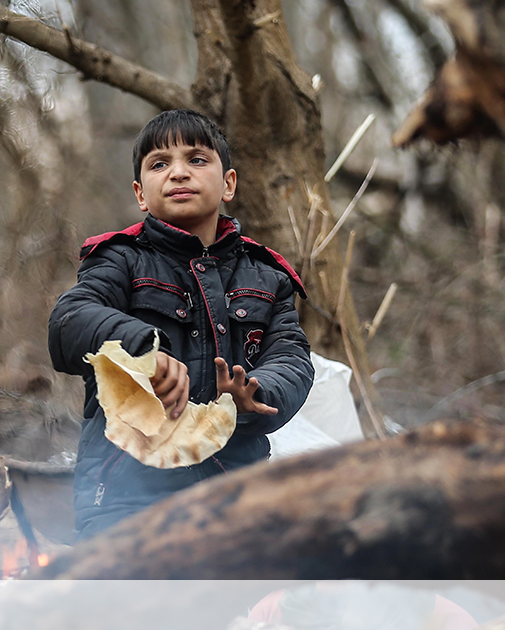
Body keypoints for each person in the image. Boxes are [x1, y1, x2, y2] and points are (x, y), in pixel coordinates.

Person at [49, 109, 314, 538]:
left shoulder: (267, 276)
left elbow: (292, 358)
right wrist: (142, 352)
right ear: (140, 192)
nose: (178, 173)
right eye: (159, 164)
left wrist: (256, 393)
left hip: (236, 493)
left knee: (239, 604)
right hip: (126, 498)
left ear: (228, 183)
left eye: (196, 160)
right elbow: (69, 320)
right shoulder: (120, 259)